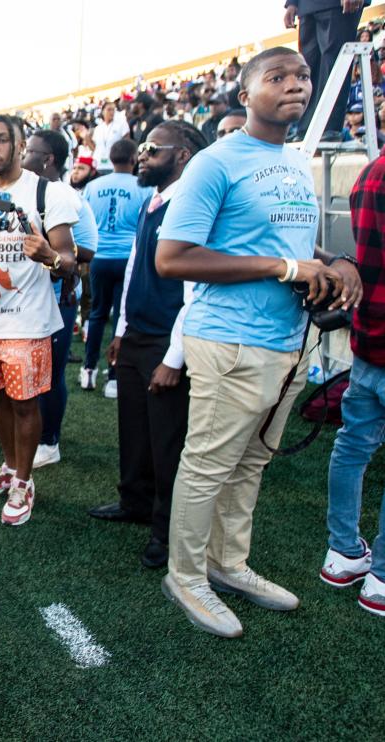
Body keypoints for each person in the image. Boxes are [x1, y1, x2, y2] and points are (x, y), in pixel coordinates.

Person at [155, 47, 362, 638]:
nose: (294, 85)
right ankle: (186, 576)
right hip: (232, 341)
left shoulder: (293, 160)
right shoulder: (216, 162)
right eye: (276, 77)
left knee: (251, 464)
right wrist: (285, 269)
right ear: (245, 95)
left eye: (301, 76)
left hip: (288, 342)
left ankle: (229, 562)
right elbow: (173, 258)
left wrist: (334, 262)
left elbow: (290, 247)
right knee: (208, 465)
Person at [89, 121, 207, 569]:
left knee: (167, 441)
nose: (142, 154)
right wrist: (120, 329)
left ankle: (165, 530)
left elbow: (195, 289)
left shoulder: (191, 207)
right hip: (137, 333)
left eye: (153, 148)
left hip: (166, 339)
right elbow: (138, 263)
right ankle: (134, 501)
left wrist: (174, 357)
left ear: (182, 155)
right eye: (142, 146)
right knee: (134, 430)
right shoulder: (153, 200)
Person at [0, 114, 78, 525]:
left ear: (20, 144)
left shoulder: (47, 193)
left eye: (2, 140)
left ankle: (24, 482)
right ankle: (10, 468)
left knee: (26, 404)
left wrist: (49, 257)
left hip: (27, 323)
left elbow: (69, 263)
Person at [320, 148, 385, 615]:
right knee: (352, 445)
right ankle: (380, 575)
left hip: (369, 336)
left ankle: (343, 551)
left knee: (352, 445)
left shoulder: (370, 172)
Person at [21, 128, 99, 469]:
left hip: (56, 297)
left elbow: (89, 250)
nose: (23, 156)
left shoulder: (66, 197)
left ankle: (49, 441)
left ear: (47, 159)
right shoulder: (26, 192)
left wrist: (53, 249)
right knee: (27, 371)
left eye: (29, 151)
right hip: (24, 296)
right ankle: (30, 433)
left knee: (50, 373)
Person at [80, 139, 152, 397]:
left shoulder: (93, 186)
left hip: (99, 257)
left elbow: (83, 222)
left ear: (111, 159)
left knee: (98, 313)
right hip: (127, 259)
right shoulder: (144, 187)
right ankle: (113, 377)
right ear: (133, 159)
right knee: (122, 317)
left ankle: (88, 370)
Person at [285, 0, 370, 140]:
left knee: (333, 63)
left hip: (337, 5)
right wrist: (292, 3)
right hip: (306, 6)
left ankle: (329, 127)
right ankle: (305, 128)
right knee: (307, 67)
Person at [91, 101, 129, 173]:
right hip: (98, 164)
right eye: (109, 109)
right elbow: (95, 145)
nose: (112, 112)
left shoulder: (121, 125)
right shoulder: (98, 128)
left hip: (114, 164)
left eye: (113, 110)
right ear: (103, 111)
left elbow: (126, 143)